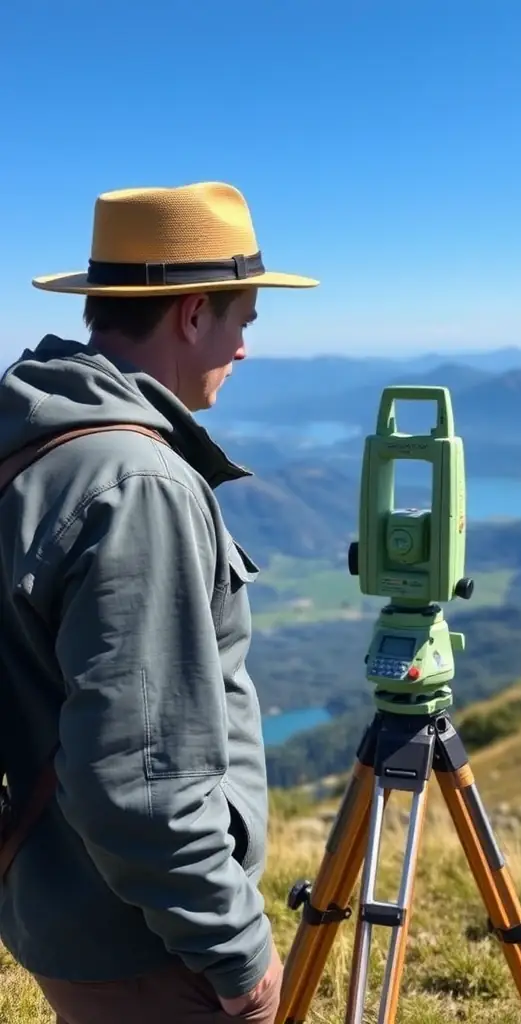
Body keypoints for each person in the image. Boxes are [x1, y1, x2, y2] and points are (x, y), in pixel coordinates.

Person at [0, 181, 318, 1022]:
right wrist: (236, 952)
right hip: (147, 946)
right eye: (242, 320)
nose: (244, 348)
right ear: (192, 314)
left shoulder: (38, 440)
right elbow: (141, 780)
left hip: (57, 902)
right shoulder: (141, 485)